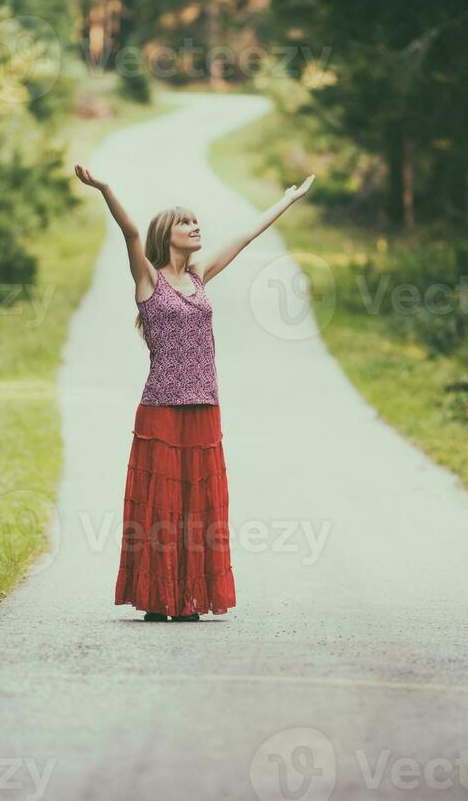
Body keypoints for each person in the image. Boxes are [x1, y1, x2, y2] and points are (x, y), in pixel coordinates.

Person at [74, 164, 315, 622]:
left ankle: (187, 601)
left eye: (196, 220)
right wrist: (105, 189)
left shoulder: (201, 276)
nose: (195, 226)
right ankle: (158, 600)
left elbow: (244, 238)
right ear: (167, 235)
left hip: (203, 404)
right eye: (186, 222)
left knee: (198, 505)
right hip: (161, 407)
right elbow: (128, 232)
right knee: (161, 505)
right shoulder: (149, 279)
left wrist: (287, 200)